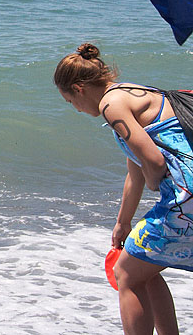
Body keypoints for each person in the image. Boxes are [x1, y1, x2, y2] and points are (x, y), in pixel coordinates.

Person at [54, 43, 193, 335]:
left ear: (79, 88)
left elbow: (153, 164)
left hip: (186, 198)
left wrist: (155, 180)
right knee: (145, 264)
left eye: (70, 101)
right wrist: (123, 222)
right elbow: (135, 171)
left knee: (126, 273)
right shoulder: (131, 91)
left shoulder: (111, 105)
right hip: (187, 196)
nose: (76, 109)